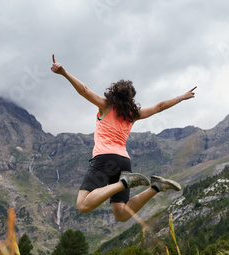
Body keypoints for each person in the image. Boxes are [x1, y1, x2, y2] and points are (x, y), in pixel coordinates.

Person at [51, 54, 196, 222]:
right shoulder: (133, 114)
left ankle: (124, 182)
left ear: (113, 93)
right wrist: (181, 97)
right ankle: (156, 186)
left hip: (105, 158)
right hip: (124, 161)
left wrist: (64, 72)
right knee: (122, 213)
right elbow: (159, 107)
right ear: (130, 98)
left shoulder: (105, 106)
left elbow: (84, 90)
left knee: (83, 205)